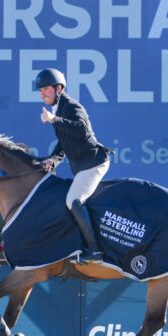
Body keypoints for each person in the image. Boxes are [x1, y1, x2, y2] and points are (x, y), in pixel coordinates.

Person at [34, 68, 110, 264]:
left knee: (73, 201)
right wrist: (54, 160)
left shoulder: (71, 106)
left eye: (46, 89)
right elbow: (64, 143)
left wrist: (54, 119)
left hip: (94, 164)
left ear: (59, 88)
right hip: (84, 166)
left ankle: (94, 251)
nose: (42, 93)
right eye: (40, 90)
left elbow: (81, 129)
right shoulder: (58, 110)